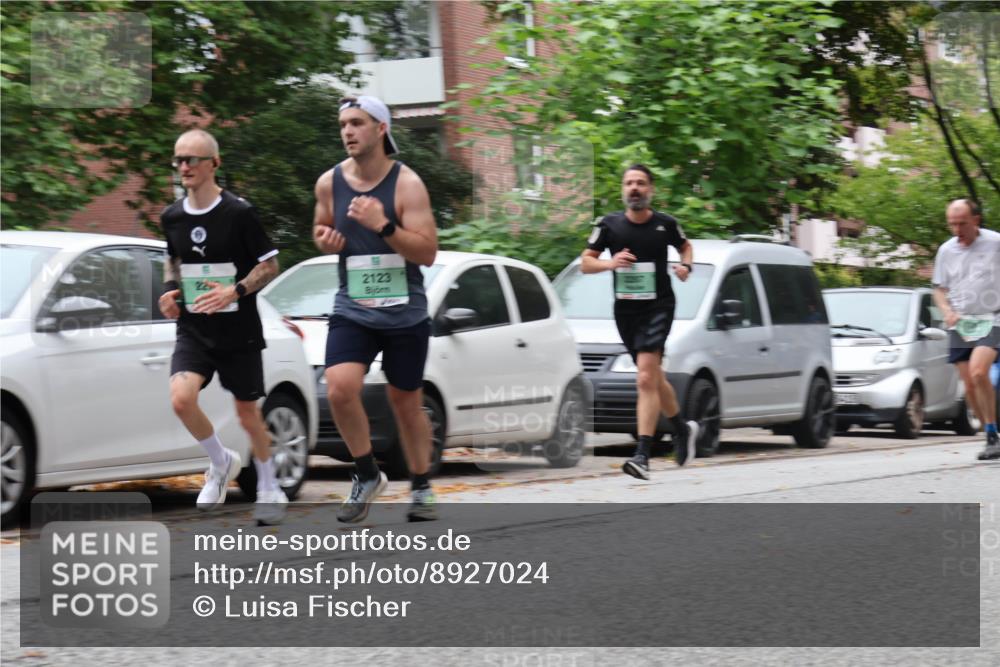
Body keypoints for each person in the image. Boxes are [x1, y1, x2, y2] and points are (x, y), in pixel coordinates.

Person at [312, 95, 439, 522]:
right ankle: (366, 473)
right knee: (339, 388)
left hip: (405, 311)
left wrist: (382, 225)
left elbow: (427, 253)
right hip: (354, 306)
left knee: (405, 400)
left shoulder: (407, 185)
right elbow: (321, 226)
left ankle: (421, 485)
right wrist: (324, 239)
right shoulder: (329, 182)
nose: (347, 131)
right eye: (343, 124)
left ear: (381, 128)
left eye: (357, 123)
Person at [158, 129, 288, 524]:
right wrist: (169, 291)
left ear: (214, 163)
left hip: (239, 329)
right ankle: (220, 460)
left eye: (192, 160)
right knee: (181, 398)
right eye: (179, 160)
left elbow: (269, 265)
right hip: (195, 327)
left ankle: (269, 485)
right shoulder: (172, 216)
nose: (184, 167)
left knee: (248, 412)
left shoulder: (239, 213)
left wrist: (235, 291)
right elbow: (173, 259)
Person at [582, 164, 699, 479]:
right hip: (626, 310)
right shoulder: (608, 226)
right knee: (654, 376)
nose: (635, 188)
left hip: (659, 306)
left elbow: (685, 247)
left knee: (645, 378)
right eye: (629, 183)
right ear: (623, 190)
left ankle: (642, 455)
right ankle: (681, 429)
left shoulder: (665, 224)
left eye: (641, 183)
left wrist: (686, 266)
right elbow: (585, 262)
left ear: (651, 190)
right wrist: (611, 263)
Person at [932, 198, 1000, 460]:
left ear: (976, 220)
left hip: (992, 317)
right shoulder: (946, 251)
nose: (957, 230)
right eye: (952, 224)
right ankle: (991, 435)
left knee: (979, 371)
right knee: (970, 385)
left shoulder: (995, 243)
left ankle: (992, 434)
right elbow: (939, 288)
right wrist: (946, 311)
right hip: (961, 322)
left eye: (962, 224)